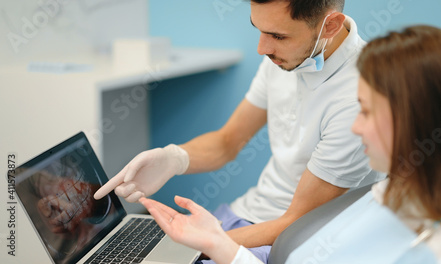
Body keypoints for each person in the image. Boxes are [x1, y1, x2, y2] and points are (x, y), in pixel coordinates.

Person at [139, 25, 441, 263]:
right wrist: (217, 242)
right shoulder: (393, 191)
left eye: (367, 112)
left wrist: (214, 243)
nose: (356, 127)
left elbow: (296, 227)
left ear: (415, 117)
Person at [94, 0, 384, 262]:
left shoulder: (359, 97)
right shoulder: (284, 57)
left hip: (289, 238)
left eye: (278, 36)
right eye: (259, 29)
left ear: (329, 26)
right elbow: (227, 142)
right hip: (244, 214)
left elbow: (295, 222)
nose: (262, 48)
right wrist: (173, 159)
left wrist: (196, 245)